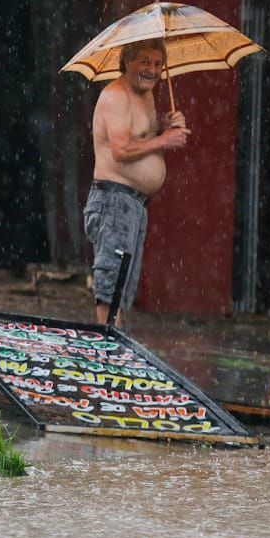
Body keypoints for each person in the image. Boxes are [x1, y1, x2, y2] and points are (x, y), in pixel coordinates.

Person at [84, 38, 191, 325]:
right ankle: (108, 352)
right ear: (127, 61)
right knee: (111, 283)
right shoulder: (116, 95)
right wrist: (164, 140)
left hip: (133, 203)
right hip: (114, 199)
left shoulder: (145, 94)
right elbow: (121, 150)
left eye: (158, 64)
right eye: (144, 62)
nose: (152, 70)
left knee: (124, 286)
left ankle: (115, 345)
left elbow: (142, 134)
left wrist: (164, 125)